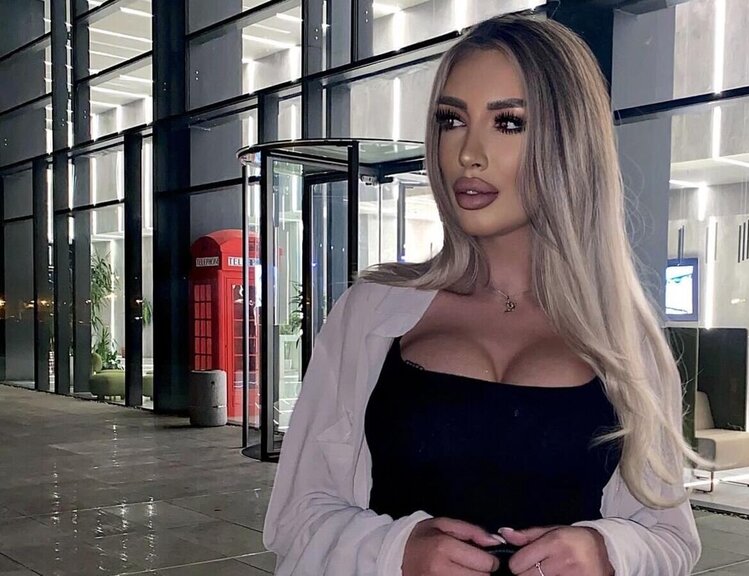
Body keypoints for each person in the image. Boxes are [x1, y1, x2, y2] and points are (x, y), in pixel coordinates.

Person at [263, 13, 703, 576]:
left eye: (508, 123)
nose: (468, 152)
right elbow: (297, 518)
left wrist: (607, 550)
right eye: (452, 120)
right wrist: (395, 551)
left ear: (568, 144)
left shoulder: (623, 338)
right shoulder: (374, 311)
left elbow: (671, 538)